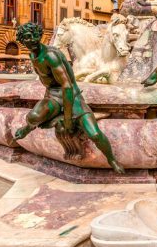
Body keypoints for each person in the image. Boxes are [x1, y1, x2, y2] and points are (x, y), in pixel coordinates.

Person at [14, 22, 124, 174]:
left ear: (39, 35)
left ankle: (112, 159)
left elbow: (67, 87)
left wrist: (67, 118)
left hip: (72, 96)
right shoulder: (32, 54)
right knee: (32, 117)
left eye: (35, 36)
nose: (32, 39)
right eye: (27, 37)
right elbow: (50, 85)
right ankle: (27, 128)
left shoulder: (50, 56)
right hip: (52, 96)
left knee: (95, 134)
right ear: (22, 40)